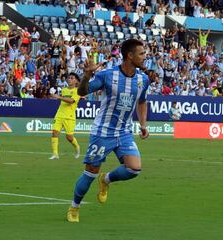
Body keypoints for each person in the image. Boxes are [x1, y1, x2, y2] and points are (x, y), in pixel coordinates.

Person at [67, 39, 150, 222]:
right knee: (90, 173)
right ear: (130, 55)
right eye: (141, 53)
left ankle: (106, 180)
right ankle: (74, 207)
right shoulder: (107, 75)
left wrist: (143, 125)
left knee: (134, 169)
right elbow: (82, 92)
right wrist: (87, 76)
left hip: (124, 132)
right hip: (103, 132)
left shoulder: (143, 79)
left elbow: (142, 102)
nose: (145, 57)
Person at [49, 72, 81, 160]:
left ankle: (77, 147)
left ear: (76, 81)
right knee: (54, 133)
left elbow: (71, 101)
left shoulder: (78, 91)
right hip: (59, 114)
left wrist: (59, 97)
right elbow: (61, 99)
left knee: (69, 137)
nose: (69, 79)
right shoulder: (63, 90)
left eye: (72, 78)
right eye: (69, 78)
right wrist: (53, 96)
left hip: (69, 116)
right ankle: (55, 154)